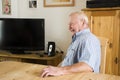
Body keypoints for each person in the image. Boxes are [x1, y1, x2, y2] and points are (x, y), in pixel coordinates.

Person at [41, 11, 101, 78]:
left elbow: (87, 66)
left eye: (72, 24)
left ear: (83, 23)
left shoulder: (88, 39)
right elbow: (67, 61)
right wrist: (55, 68)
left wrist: (60, 70)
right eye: (69, 24)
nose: (69, 28)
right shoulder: (77, 38)